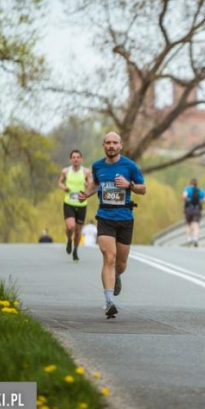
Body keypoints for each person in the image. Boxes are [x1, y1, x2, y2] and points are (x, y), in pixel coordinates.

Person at [78, 132, 147, 320]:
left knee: (120, 264)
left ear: (120, 145)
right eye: (108, 143)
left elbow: (143, 188)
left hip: (125, 217)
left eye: (114, 143)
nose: (111, 146)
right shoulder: (98, 166)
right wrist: (86, 194)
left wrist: (129, 185)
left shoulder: (129, 166)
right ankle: (109, 302)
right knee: (109, 257)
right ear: (103, 146)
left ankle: (117, 276)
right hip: (105, 216)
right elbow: (95, 185)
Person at [58, 149, 93, 262]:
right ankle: (69, 239)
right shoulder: (66, 171)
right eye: (74, 157)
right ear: (70, 159)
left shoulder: (86, 172)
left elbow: (91, 185)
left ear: (81, 159)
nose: (76, 159)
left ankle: (75, 250)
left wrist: (87, 185)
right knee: (70, 226)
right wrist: (64, 188)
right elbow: (60, 182)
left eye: (78, 157)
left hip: (82, 203)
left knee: (78, 231)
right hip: (69, 202)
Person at [183, 178, 205, 247]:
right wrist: (199, 203)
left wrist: (187, 200)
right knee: (196, 225)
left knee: (188, 224)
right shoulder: (200, 191)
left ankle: (189, 239)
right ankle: (195, 238)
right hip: (197, 210)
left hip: (188, 209)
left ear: (190, 184)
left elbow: (184, 196)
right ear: (197, 184)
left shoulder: (187, 189)